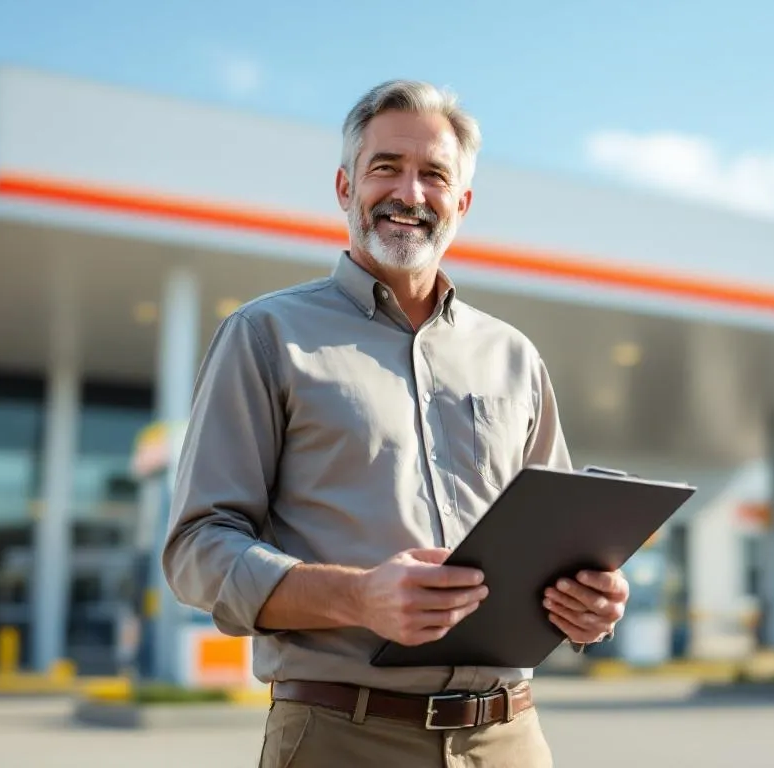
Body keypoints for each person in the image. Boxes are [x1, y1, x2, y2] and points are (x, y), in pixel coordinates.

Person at [162, 79, 632, 767]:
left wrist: (592, 603)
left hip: (509, 740)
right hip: (341, 737)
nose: (409, 193)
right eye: (386, 167)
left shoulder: (514, 358)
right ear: (345, 187)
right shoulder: (265, 335)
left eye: (434, 175)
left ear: (461, 204)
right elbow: (196, 550)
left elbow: (560, 544)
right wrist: (359, 597)